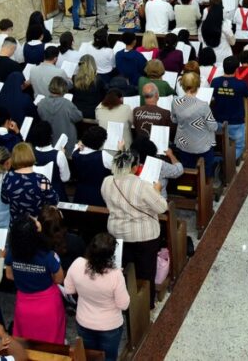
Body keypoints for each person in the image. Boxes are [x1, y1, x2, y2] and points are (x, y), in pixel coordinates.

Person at [102, 150, 167, 308]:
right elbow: (162, 207)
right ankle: (147, 304)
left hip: (117, 232)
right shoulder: (142, 185)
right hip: (144, 235)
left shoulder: (107, 181)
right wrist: (157, 191)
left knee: (122, 268)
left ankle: (122, 299)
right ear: (134, 167)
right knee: (145, 271)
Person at [62, 233, 130, 359]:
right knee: (109, 358)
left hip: (84, 322)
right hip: (110, 326)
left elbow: (68, 289)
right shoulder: (115, 275)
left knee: (90, 356)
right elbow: (124, 304)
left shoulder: (77, 263)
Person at [4, 215, 65, 343]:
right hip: (48, 305)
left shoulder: (12, 252)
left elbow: (9, 275)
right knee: (51, 343)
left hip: (24, 304)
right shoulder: (48, 256)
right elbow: (59, 279)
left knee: (27, 342)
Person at [1, 142, 59, 223]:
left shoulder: (8, 177)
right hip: (37, 226)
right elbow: (54, 200)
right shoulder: (41, 179)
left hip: (15, 226)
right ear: (31, 155)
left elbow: (4, 200)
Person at [210, 55, 248, 160]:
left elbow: (212, 97)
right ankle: (227, 163)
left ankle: (221, 161)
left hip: (219, 120)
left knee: (220, 144)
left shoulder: (215, 82)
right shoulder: (241, 84)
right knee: (239, 147)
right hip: (236, 122)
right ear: (237, 69)